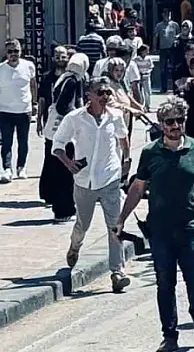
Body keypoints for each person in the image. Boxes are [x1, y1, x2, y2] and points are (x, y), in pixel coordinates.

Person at [117, 97, 194, 352]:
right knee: (165, 283)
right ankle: (170, 335)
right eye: (170, 121)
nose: (176, 125)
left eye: (180, 120)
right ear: (161, 125)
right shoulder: (150, 152)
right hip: (161, 230)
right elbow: (137, 187)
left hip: (191, 227)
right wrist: (121, 219)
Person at [51, 76, 132, 293]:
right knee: (82, 225)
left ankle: (117, 272)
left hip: (110, 178)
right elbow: (57, 145)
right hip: (84, 180)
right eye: (100, 93)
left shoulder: (115, 116)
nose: (105, 96)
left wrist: (126, 160)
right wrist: (68, 163)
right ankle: (74, 246)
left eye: (108, 93)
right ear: (89, 95)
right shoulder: (75, 118)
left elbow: (123, 138)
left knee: (115, 225)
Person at [41, 52, 87, 222]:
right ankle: (64, 209)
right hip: (64, 134)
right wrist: (78, 116)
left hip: (53, 132)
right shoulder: (73, 80)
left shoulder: (64, 77)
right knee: (64, 172)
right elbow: (63, 106)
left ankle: (61, 206)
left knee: (56, 169)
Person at [0, 39, 37, 182]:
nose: (13, 54)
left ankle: (21, 167)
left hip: (24, 110)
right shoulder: (1, 69)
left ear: (21, 51)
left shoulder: (29, 66)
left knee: (23, 141)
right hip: (5, 110)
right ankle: (7, 168)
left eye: (16, 51)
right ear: (6, 53)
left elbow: (33, 85)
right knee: (7, 141)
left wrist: (34, 103)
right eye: (10, 51)